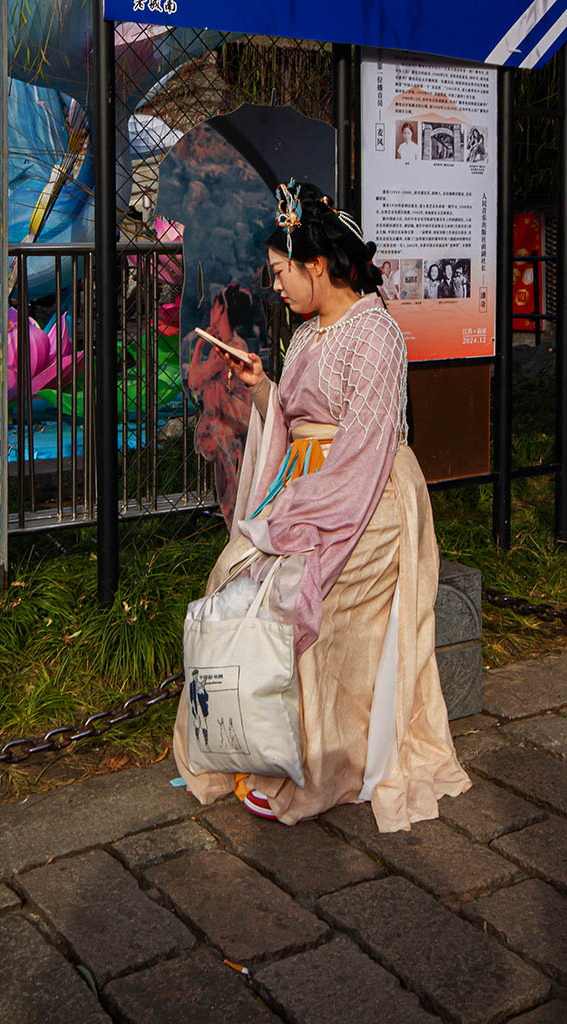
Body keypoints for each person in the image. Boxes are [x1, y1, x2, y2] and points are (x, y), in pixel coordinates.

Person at [173, 179, 470, 832]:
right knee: (236, 575)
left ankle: (330, 764)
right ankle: (261, 748)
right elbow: (293, 422)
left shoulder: (376, 334)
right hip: (309, 486)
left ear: (314, 266)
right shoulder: (307, 338)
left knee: (309, 593)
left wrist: (306, 525)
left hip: (369, 501)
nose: (275, 287)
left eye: (281, 273)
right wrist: (262, 391)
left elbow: (364, 448)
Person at [188, 284, 253, 529]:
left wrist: (198, 347)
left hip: (229, 426)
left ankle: (236, 539)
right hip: (225, 425)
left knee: (231, 492)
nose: (212, 311)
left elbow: (195, 379)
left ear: (222, 309)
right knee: (227, 488)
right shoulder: (232, 344)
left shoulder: (226, 349)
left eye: (215, 305)